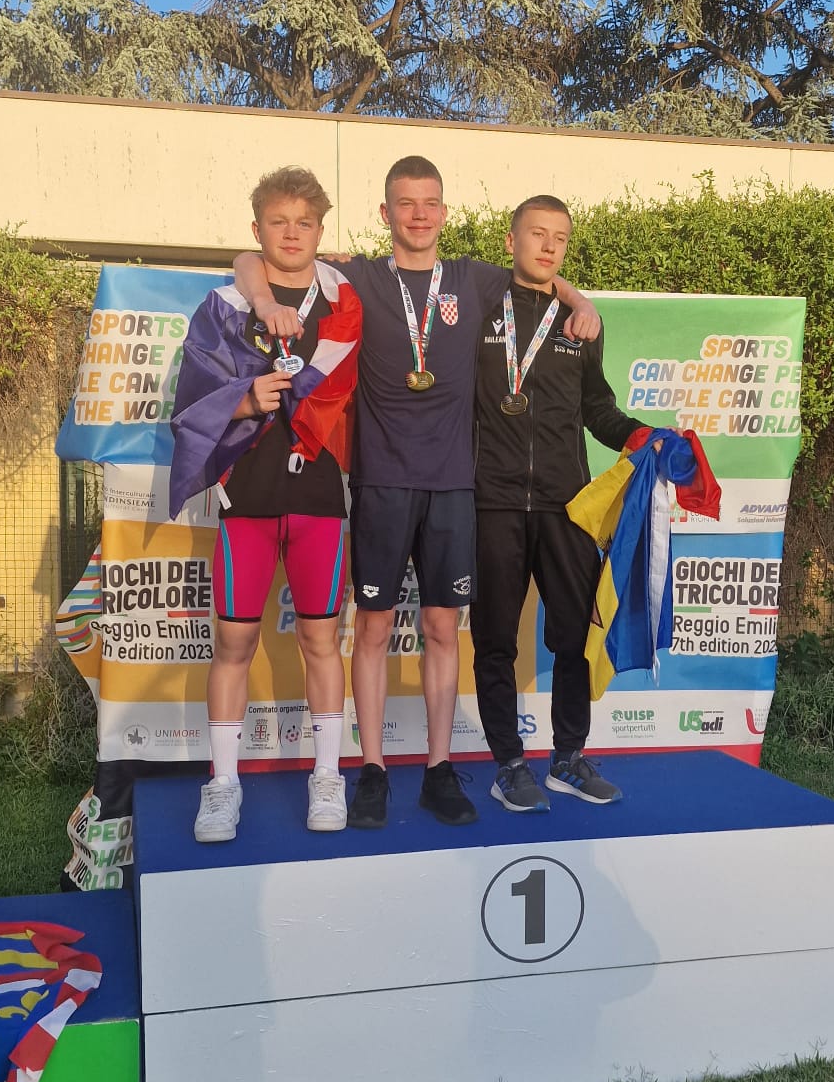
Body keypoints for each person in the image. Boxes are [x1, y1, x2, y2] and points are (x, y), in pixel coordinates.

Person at [235, 155, 598, 829]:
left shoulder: (471, 279)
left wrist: (580, 301)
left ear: (445, 212)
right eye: (406, 203)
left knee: (440, 629)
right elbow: (249, 260)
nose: (419, 214)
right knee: (372, 628)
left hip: (454, 484)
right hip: (380, 481)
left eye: (430, 202)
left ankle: (438, 769)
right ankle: (373, 770)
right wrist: (261, 301)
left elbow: (539, 271)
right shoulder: (361, 277)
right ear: (386, 213)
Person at [168, 166, 361, 844]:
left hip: (319, 498)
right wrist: (245, 401)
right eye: (278, 221)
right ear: (257, 228)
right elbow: (189, 404)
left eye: (305, 222)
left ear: (321, 229)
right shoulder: (226, 305)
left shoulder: (344, 301)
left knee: (321, 641)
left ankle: (327, 776)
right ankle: (222, 784)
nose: (292, 233)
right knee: (233, 643)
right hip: (247, 499)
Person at [471, 195, 643, 812]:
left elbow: (597, 409)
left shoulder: (580, 325)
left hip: (568, 507)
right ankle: (508, 764)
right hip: (492, 502)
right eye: (537, 234)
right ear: (511, 239)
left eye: (560, 238)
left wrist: (643, 436)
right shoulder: (478, 306)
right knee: (495, 641)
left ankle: (568, 758)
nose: (548, 247)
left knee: (573, 636)